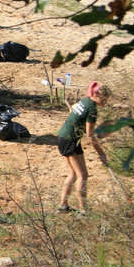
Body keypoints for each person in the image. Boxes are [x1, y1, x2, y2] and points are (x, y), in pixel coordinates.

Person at [56, 81, 111, 215]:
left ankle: (63, 206)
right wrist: (101, 154)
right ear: (97, 95)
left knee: (73, 173)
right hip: (70, 140)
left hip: (64, 137)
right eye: (105, 99)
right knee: (82, 175)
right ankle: (84, 210)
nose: (106, 102)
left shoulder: (85, 100)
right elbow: (90, 136)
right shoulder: (92, 110)